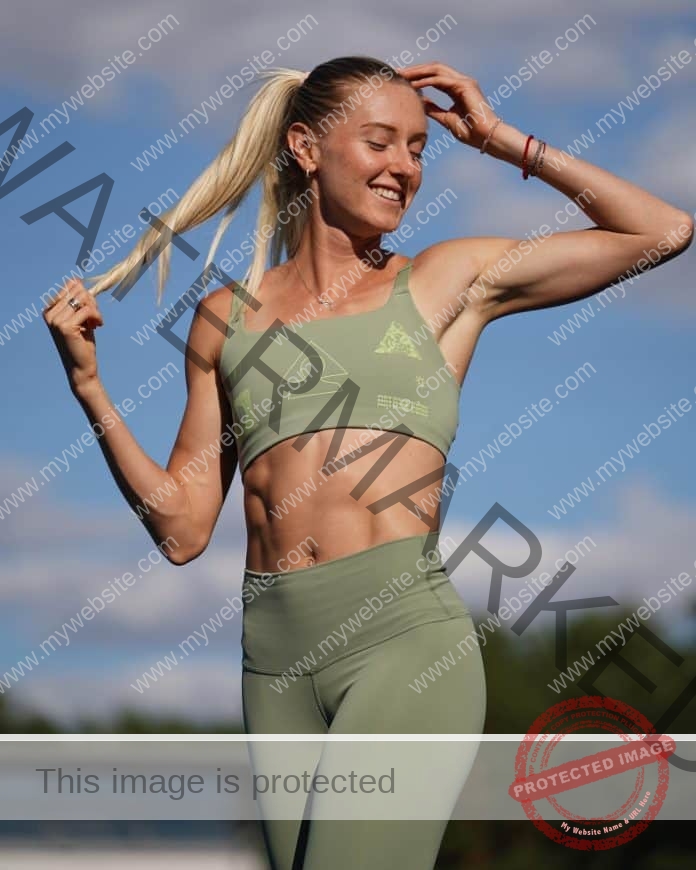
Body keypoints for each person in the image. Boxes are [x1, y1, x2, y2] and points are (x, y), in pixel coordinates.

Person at [43, 55, 692, 869]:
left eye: (419, 149)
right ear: (307, 148)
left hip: (402, 643)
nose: (405, 168)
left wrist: (503, 143)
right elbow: (181, 528)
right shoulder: (224, 321)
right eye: (381, 142)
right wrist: (89, 386)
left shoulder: (444, 282)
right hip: (271, 664)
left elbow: (661, 230)